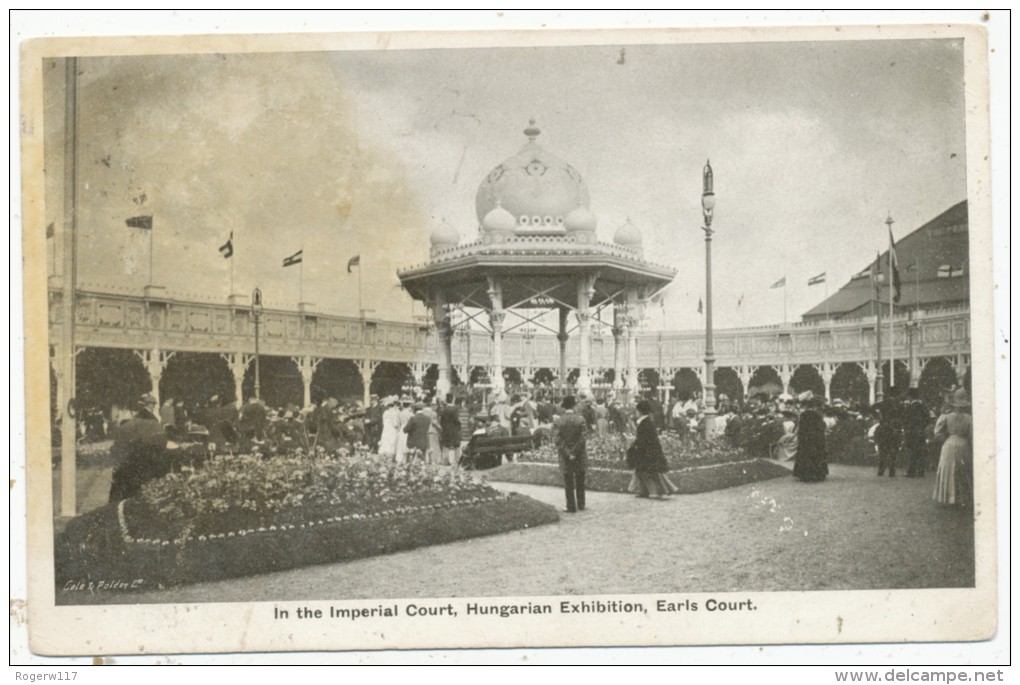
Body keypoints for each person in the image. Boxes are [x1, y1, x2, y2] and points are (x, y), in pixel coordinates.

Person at [108, 394, 169, 502]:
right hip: (148, 461)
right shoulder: (152, 421)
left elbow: (118, 447)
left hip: (134, 462)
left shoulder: (130, 424)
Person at [626, 400, 678, 499]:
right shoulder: (647, 422)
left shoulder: (644, 423)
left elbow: (642, 439)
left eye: (637, 411)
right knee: (644, 472)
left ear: (640, 411)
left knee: (650, 473)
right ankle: (644, 491)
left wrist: (634, 446)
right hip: (650, 450)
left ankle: (656, 491)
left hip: (647, 452)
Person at [932, 389, 972, 508]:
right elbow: (971, 434)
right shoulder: (969, 418)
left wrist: (946, 437)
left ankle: (949, 497)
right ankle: (962, 498)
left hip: (949, 443)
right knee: (963, 469)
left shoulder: (946, 416)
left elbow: (937, 431)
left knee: (949, 468)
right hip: (963, 444)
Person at [553, 395, 587, 513]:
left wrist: (568, 453)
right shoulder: (580, 419)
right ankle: (581, 503)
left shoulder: (559, 421)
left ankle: (571, 505)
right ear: (574, 406)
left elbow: (558, 440)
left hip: (565, 454)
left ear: (564, 407)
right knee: (580, 478)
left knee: (568, 479)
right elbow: (583, 438)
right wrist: (575, 451)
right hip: (579, 454)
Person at [792, 397, 828, 482]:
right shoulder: (818, 415)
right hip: (816, 439)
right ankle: (817, 474)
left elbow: (801, 428)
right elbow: (822, 427)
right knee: (817, 456)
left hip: (805, 439)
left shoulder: (803, 415)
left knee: (805, 455)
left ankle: (804, 474)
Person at [902, 389, 930, 478]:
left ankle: (911, 471)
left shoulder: (909, 408)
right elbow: (928, 419)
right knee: (920, 451)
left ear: (910, 397)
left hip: (911, 433)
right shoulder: (923, 407)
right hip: (921, 432)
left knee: (911, 452)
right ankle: (921, 471)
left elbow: (905, 420)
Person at [438, 394, 463, 467]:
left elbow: (441, 420)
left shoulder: (444, 409)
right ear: (452, 399)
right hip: (454, 430)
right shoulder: (455, 409)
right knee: (456, 445)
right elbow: (457, 420)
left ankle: (445, 461)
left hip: (446, 430)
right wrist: (460, 422)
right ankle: (456, 461)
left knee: (446, 445)